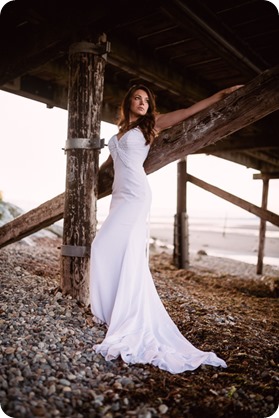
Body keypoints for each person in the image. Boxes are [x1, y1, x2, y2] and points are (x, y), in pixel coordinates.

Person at [90, 83, 242, 374]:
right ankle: (112, 312)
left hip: (136, 194)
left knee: (121, 252)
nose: (142, 102)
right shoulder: (119, 131)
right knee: (104, 248)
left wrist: (220, 94)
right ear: (128, 101)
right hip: (119, 196)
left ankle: (123, 315)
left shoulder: (153, 124)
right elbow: (113, 160)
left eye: (146, 99)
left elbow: (187, 112)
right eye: (137, 97)